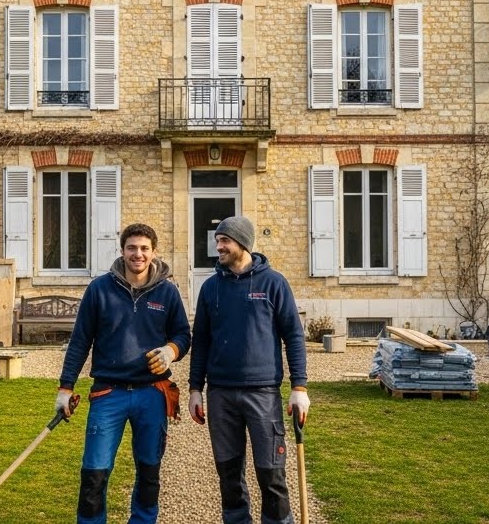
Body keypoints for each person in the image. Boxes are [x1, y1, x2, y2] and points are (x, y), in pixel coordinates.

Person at [57, 223, 191, 524]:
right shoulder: (99, 290)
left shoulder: (167, 292)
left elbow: (183, 335)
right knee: (94, 472)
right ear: (122, 250)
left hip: (152, 394)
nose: (138, 254)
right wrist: (65, 388)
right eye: (132, 247)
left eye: (144, 248)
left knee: (149, 471)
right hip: (109, 394)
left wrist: (170, 351)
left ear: (153, 252)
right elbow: (80, 341)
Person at [188, 215, 309, 524]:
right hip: (220, 395)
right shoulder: (211, 288)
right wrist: (194, 389)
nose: (218, 247)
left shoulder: (273, 283)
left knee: (271, 476)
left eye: (224, 240)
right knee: (229, 476)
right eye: (217, 240)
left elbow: (293, 335)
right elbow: (200, 340)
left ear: (242, 242)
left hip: (263, 393)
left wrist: (300, 387)